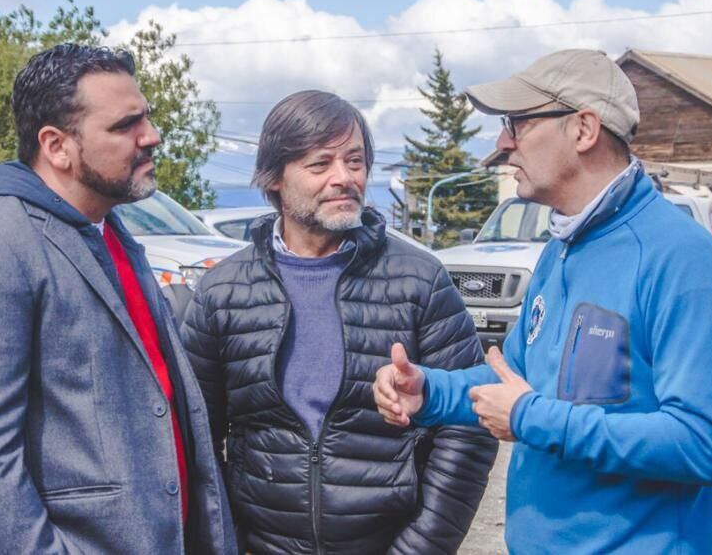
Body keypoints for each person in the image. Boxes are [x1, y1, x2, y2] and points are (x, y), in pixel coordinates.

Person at [374, 49, 712, 553]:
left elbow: (701, 444)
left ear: (584, 130)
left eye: (518, 123)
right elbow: (516, 382)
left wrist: (530, 418)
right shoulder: (559, 251)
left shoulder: (681, 259)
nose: (503, 144)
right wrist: (428, 393)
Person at [0, 44, 236, 554]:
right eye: (126, 124)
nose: (152, 136)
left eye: (146, 117)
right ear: (57, 145)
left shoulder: (113, 235)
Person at [180, 90, 498, 554]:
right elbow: (198, 442)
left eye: (354, 161)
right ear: (274, 178)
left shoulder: (419, 281)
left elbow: (467, 426)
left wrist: (418, 549)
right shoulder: (221, 293)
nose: (343, 178)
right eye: (320, 164)